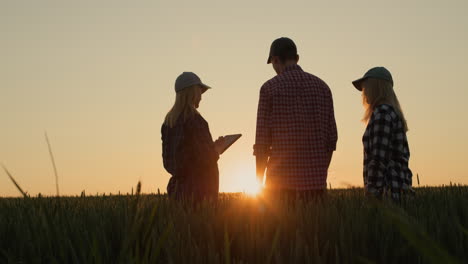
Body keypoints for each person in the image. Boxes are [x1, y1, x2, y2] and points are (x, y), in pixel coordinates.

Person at [254, 37, 338, 199]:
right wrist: (319, 172)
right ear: (297, 58)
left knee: (282, 226)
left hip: (279, 186)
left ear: (276, 60)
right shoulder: (323, 88)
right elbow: (331, 140)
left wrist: (259, 181)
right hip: (316, 187)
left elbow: (262, 143)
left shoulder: (269, 89)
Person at [352, 67, 413, 201]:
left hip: (386, 192)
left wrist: (372, 192)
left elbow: (378, 159)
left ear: (375, 87)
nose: (364, 93)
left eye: (365, 87)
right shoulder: (391, 112)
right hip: (397, 188)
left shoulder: (382, 114)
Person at [161, 72, 225, 201]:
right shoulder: (195, 120)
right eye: (200, 92)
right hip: (200, 192)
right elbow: (206, 158)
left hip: (177, 191)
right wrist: (217, 149)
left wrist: (211, 147)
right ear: (193, 92)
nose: (201, 97)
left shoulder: (168, 123)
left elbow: (170, 162)